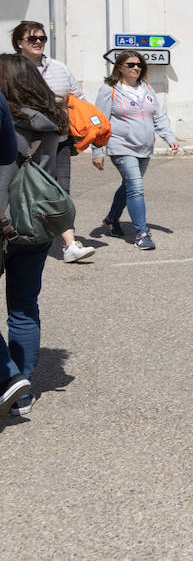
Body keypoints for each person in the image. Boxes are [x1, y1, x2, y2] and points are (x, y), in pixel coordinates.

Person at [0, 53, 70, 416]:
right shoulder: (55, 121)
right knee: (25, 307)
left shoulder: (6, 121)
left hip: (4, 224)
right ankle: (21, 394)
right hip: (38, 225)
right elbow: (60, 178)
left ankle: (9, 377)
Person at [10, 20, 95, 262]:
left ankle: (69, 245)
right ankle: (19, 236)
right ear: (19, 43)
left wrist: (89, 130)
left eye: (42, 38)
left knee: (60, 191)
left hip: (58, 140)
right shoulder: (11, 69)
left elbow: (78, 98)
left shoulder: (59, 68)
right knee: (20, 191)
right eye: (31, 38)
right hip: (23, 143)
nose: (38, 42)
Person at [92, 50, 179, 251]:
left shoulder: (146, 88)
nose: (136, 68)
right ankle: (141, 233)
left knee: (129, 185)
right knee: (136, 187)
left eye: (139, 64)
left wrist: (169, 137)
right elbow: (100, 122)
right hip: (121, 146)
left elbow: (158, 116)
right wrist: (97, 151)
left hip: (144, 147)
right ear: (120, 67)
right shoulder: (110, 89)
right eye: (130, 64)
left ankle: (112, 219)